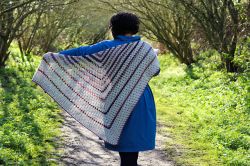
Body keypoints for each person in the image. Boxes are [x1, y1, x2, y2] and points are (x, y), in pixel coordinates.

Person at [59, 12, 158, 166]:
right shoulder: (145, 48)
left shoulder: (106, 47)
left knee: (124, 143)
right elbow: (155, 71)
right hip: (139, 99)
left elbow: (81, 53)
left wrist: (55, 56)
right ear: (135, 28)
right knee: (131, 149)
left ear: (114, 29)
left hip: (117, 99)